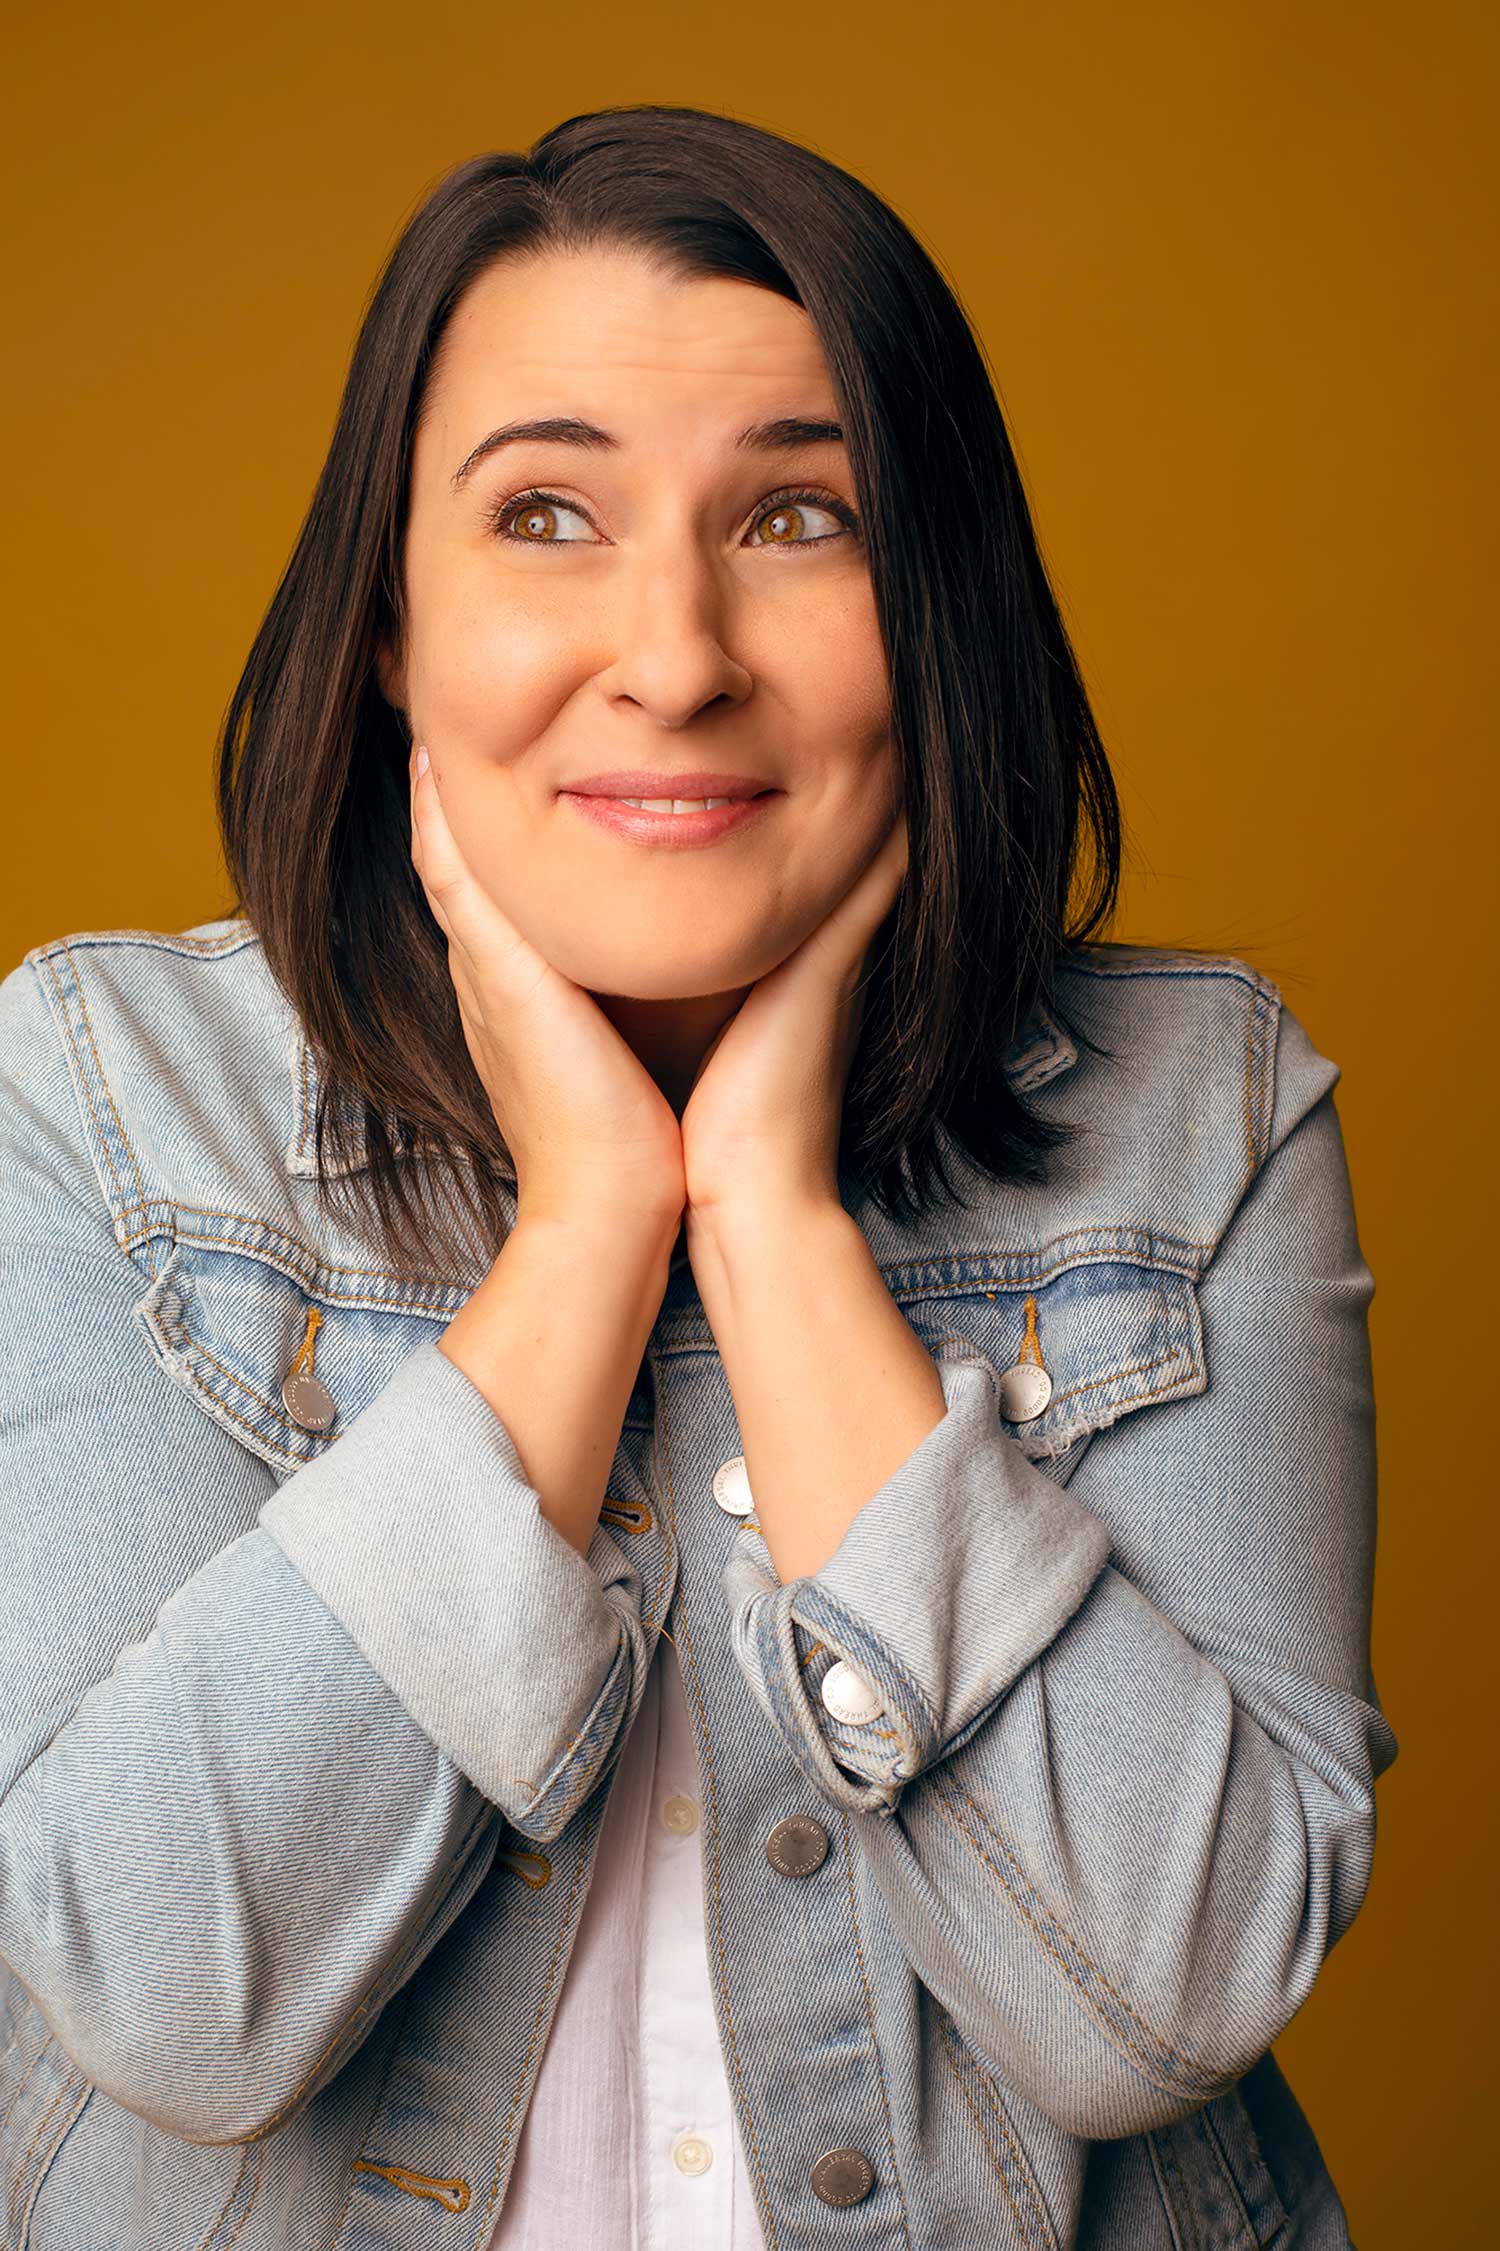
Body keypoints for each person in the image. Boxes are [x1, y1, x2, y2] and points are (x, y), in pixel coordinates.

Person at [0, 103, 1397, 2250]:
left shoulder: (1197, 1115)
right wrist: (584, 1235)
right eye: (546, 512)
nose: (674, 653)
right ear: (388, 624)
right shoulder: (101, 1099)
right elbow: (172, 1996)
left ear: (935, 614)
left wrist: (770, 1214)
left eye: (802, 518)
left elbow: (1162, 1992)